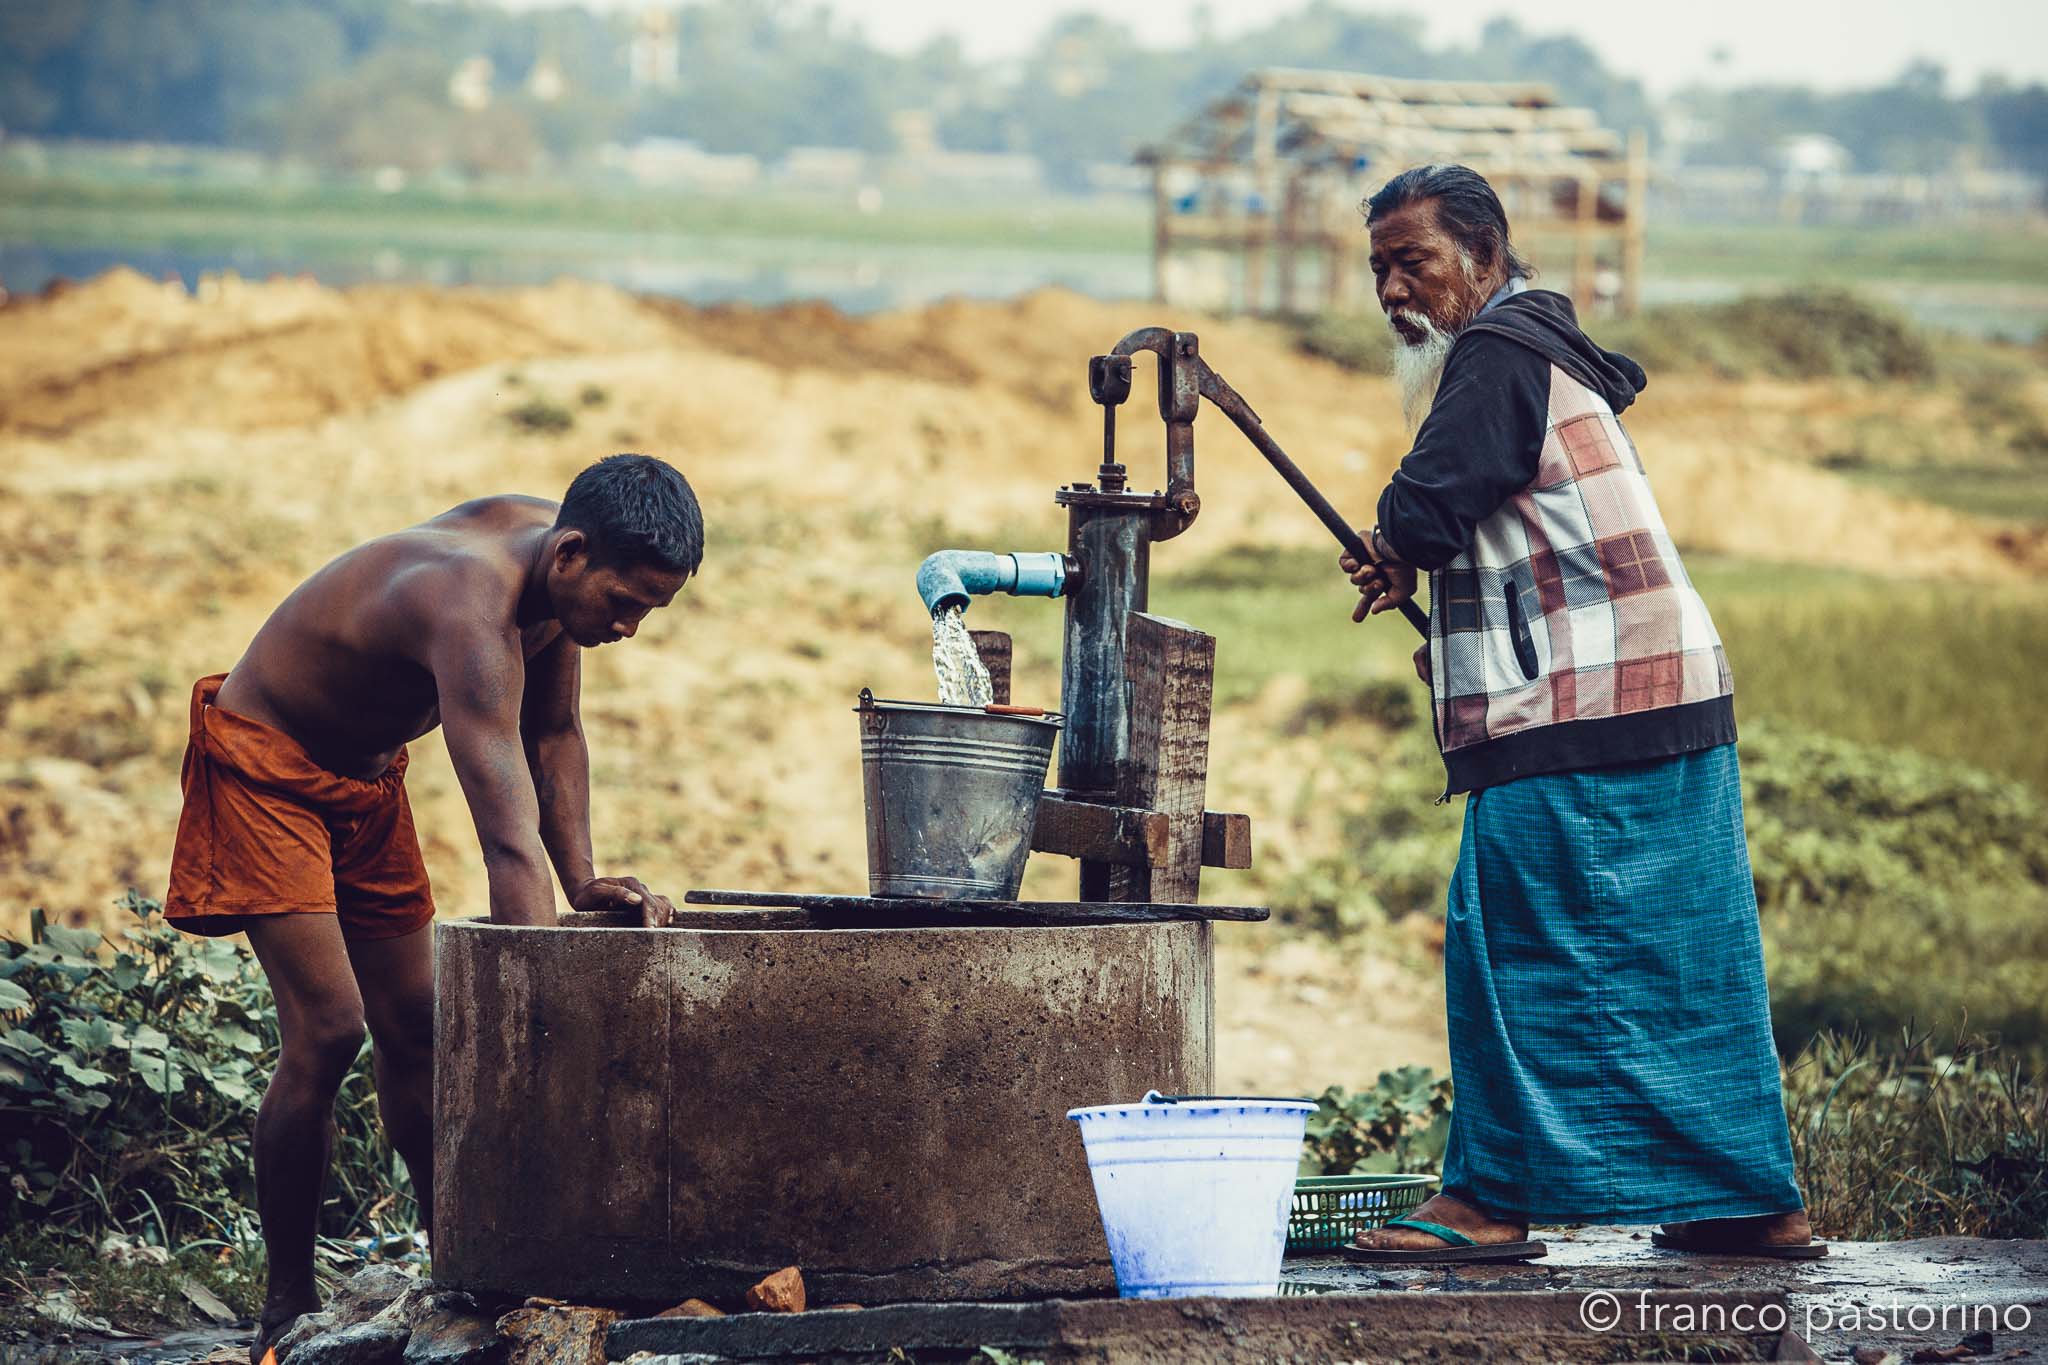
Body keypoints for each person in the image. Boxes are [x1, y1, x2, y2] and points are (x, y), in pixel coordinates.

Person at [1337, 166, 1823, 1264]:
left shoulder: (1497, 352)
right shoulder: (1536, 352)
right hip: (1660, 695)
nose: (1391, 289)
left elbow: (1425, 497)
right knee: (1679, 958)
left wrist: (1394, 542)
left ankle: (1488, 1202)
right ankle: (1745, 1202)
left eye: (1411, 260)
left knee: (1507, 943)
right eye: (1377, 267)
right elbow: (1476, 509)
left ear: (1482, 253)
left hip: (1584, 707)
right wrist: (1416, 560)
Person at [162, 453, 701, 1359]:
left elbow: (556, 733)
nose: (630, 626)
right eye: (624, 603)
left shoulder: (561, 568)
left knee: (416, 1021)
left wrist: (582, 883)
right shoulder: (467, 600)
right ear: (570, 554)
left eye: (649, 609)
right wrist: (545, 1009)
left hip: (366, 780)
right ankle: (284, 1302)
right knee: (330, 1029)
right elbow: (503, 838)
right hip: (266, 766)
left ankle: (458, 1261)